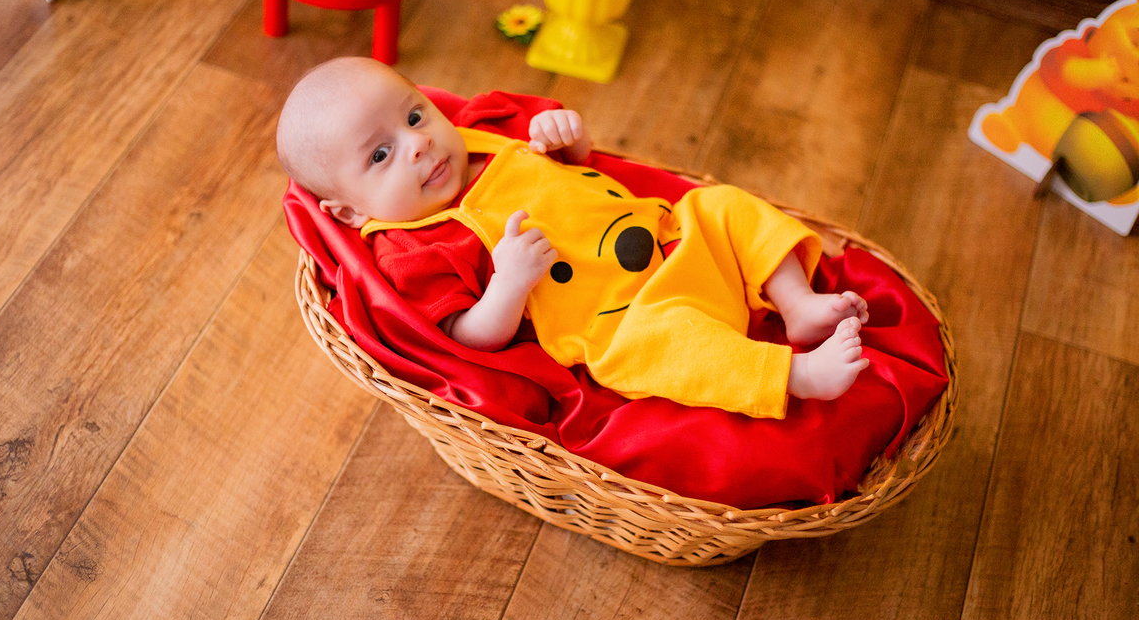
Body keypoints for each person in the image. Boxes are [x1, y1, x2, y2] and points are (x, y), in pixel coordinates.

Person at [277, 57, 871, 419]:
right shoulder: (412, 247)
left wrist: (566, 141)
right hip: (623, 319)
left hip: (669, 239)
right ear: (349, 213)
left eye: (414, 117)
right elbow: (466, 337)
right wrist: (507, 287)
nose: (419, 144)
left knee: (722, 205)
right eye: (381, 155)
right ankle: (793, 375)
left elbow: (585, 171)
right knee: (669, 349)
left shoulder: (483, 136)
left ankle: (796, 306)